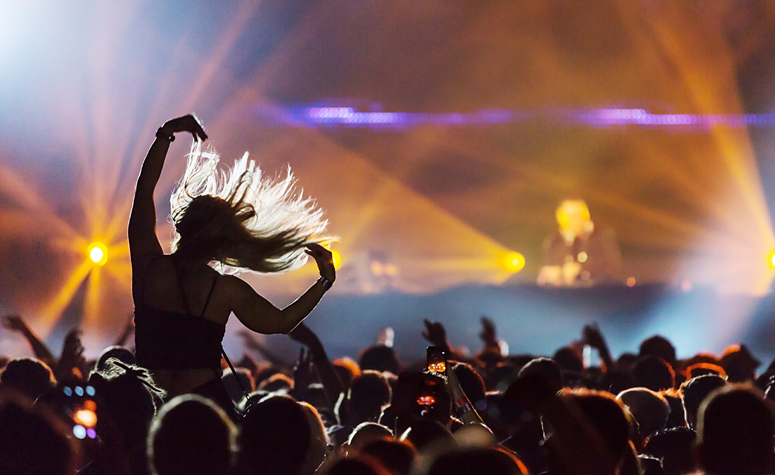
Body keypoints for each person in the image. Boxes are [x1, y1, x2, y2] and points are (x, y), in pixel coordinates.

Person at [129, 115, 336, 414]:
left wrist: (167, 134)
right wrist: (324, 282)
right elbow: (281, 322)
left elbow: (143, 192)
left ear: (184, 224)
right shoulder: (226, 290)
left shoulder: (150, 267)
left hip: (149, 406)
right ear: (224, 241)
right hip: (204, 410)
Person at [537, 199, 620, 286]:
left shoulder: (601, 236)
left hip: (595, 292)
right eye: (567, 216)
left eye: (576, 215)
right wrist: (556, 272)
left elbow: (612, 265)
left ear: (586, 216)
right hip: (562, 294)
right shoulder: (555, 241)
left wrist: (581, 269)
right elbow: (547, 264)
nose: (573, 220)